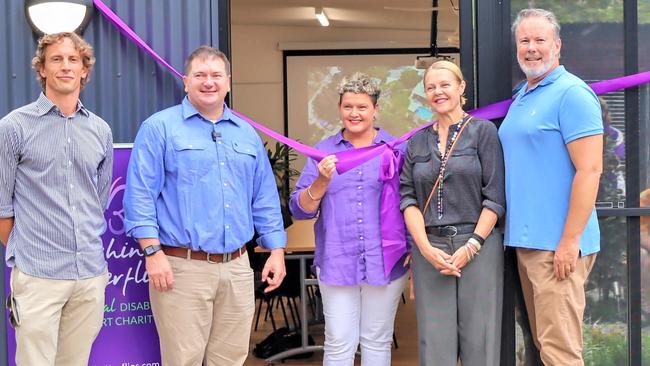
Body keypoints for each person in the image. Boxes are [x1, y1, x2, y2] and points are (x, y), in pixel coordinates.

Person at [123, 46, 287, 366]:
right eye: (200, 75)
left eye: (216, 75)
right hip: (182, 268)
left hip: (238, 267)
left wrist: (277, 251)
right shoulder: (160, 128)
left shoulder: (247, 135)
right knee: (183, 359)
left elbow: (264, 198)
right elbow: (140, 195)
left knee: (230, 358)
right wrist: (152, 253)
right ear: (186, 82)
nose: (208, 82)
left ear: (228, 82)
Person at [0, 32, 113, 365]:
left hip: (90, 274)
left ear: (84, 70)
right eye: (56, 59)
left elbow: (98, 200)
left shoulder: (100, 131)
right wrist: (27, 253)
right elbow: (2, 207)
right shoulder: (13, 128)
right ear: (42, 69)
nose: (66, 66)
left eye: (73, 59)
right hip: (39, 275)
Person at [499, 8, 603, 366]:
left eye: (540, 40)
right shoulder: (523, 96)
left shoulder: (572, 94)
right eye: (524, 41)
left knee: (560, 352)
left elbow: (590, 170)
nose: (531, 48)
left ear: (557, 45)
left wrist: (569, 242)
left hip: (557, 247)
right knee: (546, 348)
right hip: (527, 243)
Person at [289, 72, 408, 366]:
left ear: (375, 109)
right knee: (339, 341)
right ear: (340, 108)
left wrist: (413, 248)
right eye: (348, 107)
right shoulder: (323, 152)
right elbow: (299, 209)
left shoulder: (395, 149)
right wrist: (320, 181)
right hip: (337, 260)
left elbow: (410, 202)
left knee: (377, 340)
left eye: (362, 107)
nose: (354, 113)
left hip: (386, 261)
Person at [399, 60, 505, 366]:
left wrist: (472, 245)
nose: (437, 92)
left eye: (445, 85)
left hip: (479, 245)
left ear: (461, 88)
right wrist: (425, 248)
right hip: (430, 248)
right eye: (430, 87)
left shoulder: (483, 132)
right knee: (434, 344)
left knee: (480, 341)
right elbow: (408, 199)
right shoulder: (416, 141)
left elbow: (495, 197)